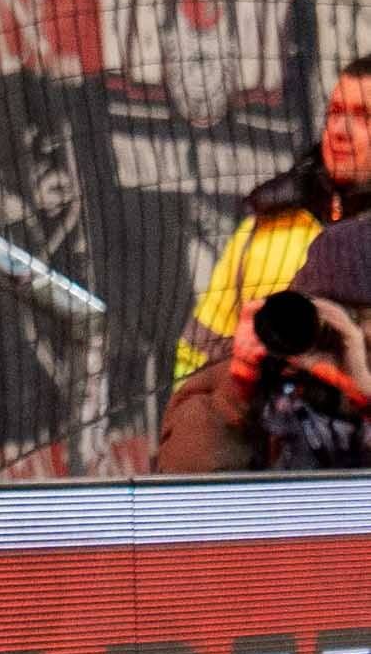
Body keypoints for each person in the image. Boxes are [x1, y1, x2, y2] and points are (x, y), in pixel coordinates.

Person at [175, 55, 371, 381]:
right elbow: (196, 356)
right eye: (335, 112)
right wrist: (229, 382)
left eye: (365, 117)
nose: (340, 131)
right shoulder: (265, 226)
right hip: (261, 411)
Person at [159, 215, 371, 475]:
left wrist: (365, 394)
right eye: (333, 323)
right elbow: (191, 490)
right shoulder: (251, 382)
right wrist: (237, 395)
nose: (344, 339)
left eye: (361, 319)